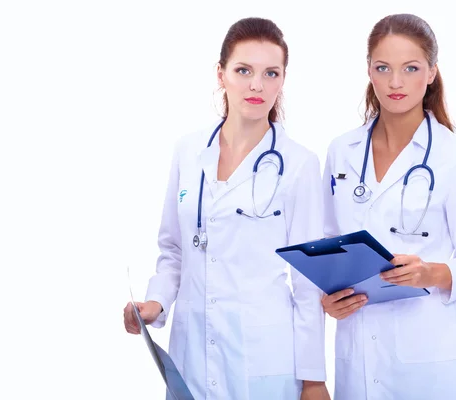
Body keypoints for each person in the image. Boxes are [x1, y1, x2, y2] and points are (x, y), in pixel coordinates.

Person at [123, 17, 330, 400]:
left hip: (266, 358)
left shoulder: (299, 164)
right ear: (221, 74)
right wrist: (155, 303)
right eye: (243, 70)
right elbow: (174, 251)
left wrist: (314, 379)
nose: (257, 85)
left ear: (283, 80)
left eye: (271, 73)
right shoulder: (189, 151)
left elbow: (307, 282)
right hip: (192, 353)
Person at [321, 13, 456, 400]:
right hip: (358, 352)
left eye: (410, 68)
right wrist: (329, 298)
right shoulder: (342, 152)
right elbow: (330, 243)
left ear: (432, 72)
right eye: (383, 68)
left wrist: (430, 272)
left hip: (431, 358)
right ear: (369, 70)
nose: (395, 82)